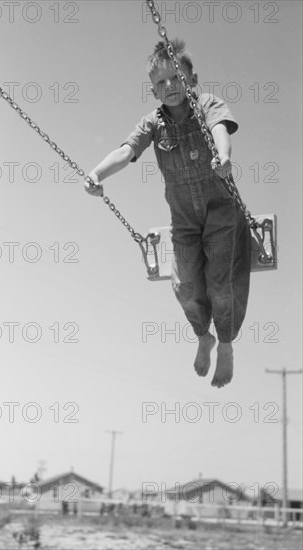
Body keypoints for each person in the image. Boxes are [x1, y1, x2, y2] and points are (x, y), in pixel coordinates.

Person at [85, 39, 250, 388]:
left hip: (221, 213)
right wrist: (97, 174)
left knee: (221, 286)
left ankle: (227, 344)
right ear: (153, 90)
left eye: (176, 77)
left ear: (192, 78)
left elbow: (220, 128)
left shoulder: (208, 105)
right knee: (186, 287)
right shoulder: (152, 124)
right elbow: (126, 150)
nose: (170, 87)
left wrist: (223, 155)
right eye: (160, 83)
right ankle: (203, 336)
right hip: (185, 222)